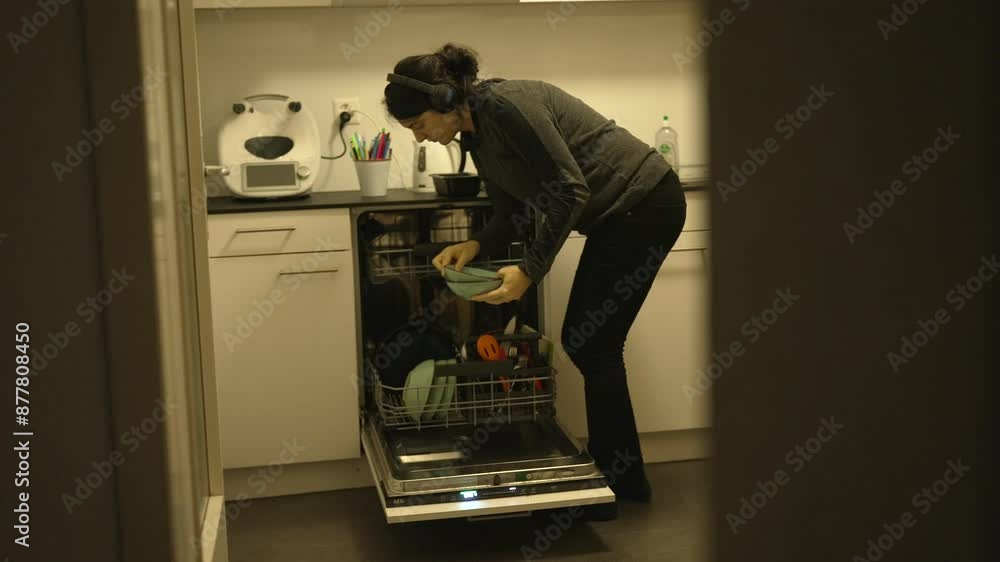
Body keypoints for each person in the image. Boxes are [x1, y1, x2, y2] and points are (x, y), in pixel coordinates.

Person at [383, 43, 687, 520]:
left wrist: (529, 271)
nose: (420, 138)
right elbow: (513, 210)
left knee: (592, 344)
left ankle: (618, 486)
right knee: (590, 343)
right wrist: (477, 245)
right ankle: (622, 482)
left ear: (444, 100)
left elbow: (569, 189)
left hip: (644, 204)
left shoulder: (508, 107)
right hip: (616, 217)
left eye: (419, 125)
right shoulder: (475, 132)